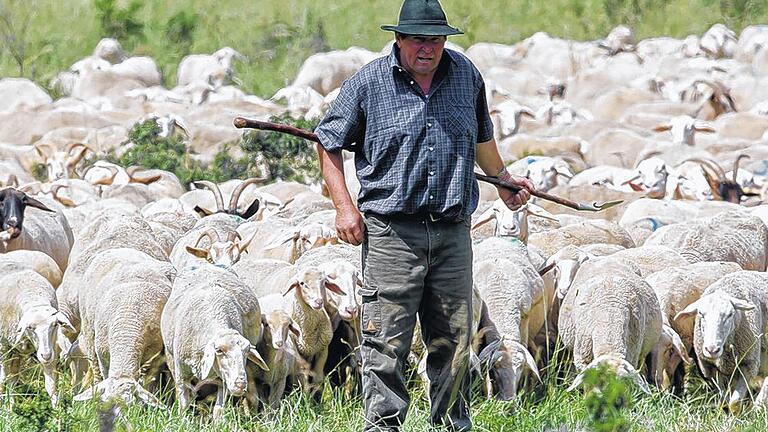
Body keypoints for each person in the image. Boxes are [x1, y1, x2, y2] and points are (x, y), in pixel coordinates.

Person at [314, 1, 534, 430]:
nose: (427, 49)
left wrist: (503, 179)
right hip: (393, 234)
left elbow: (482, 138)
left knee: (454, 339)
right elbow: (328, 142)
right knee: (386, 341)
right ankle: (383, 425)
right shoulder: (369, 84)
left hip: (453, 232)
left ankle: (452, 423)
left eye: (435, 39)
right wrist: (344, 206)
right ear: (399, 39)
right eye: (418, 39)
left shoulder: (466, 76)